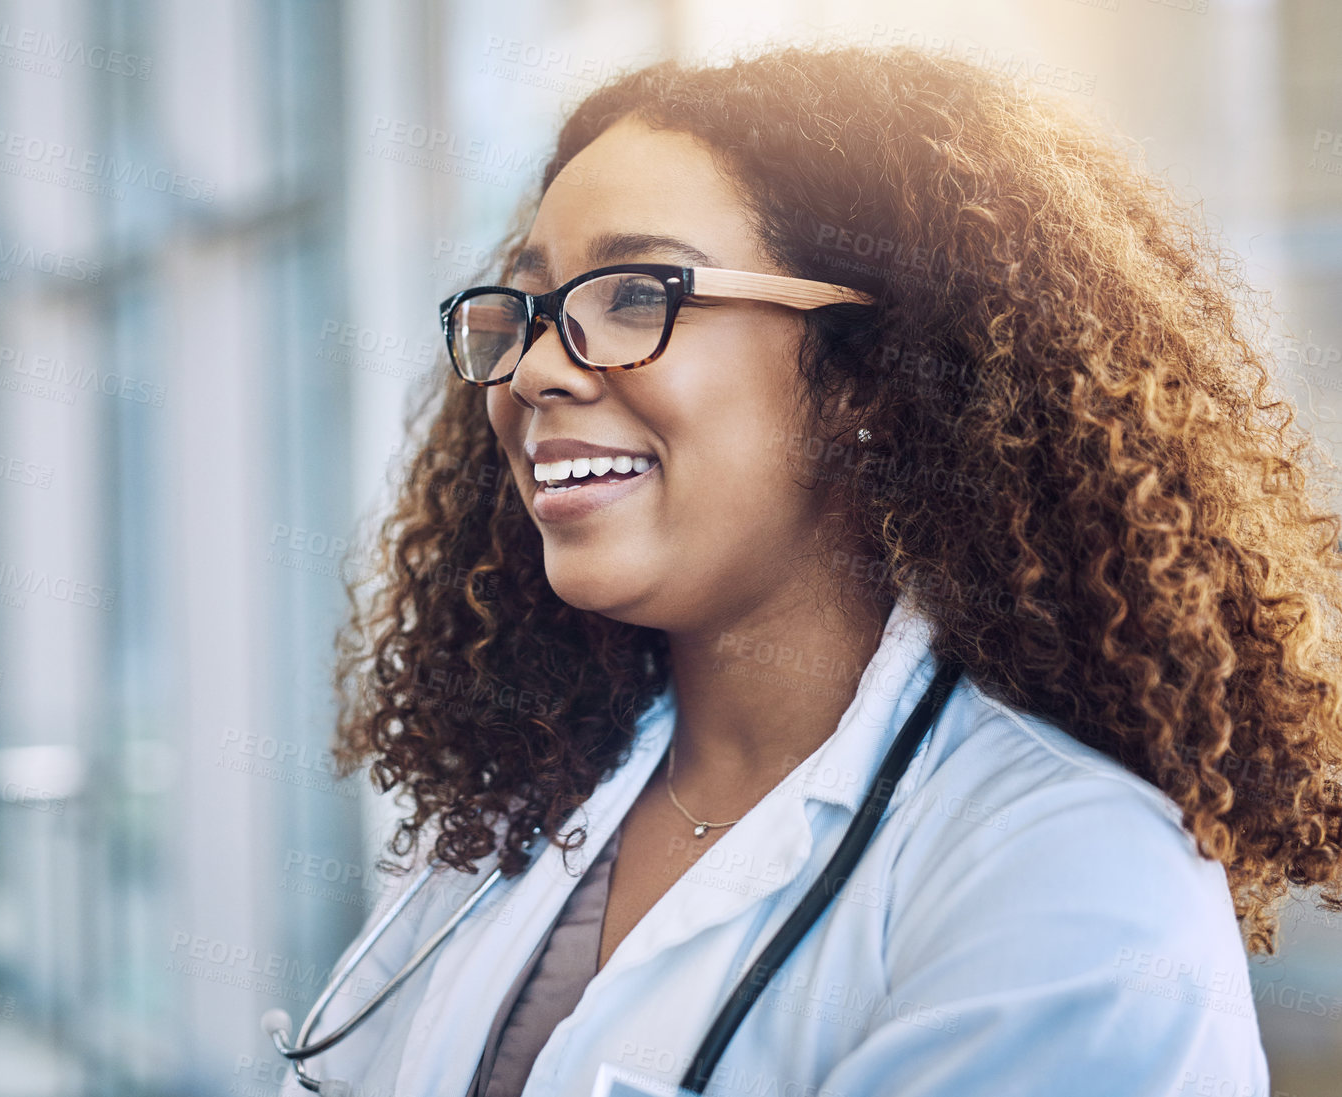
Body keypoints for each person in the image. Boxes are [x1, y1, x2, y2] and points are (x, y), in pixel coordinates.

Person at [298, 44, 1342, 1097]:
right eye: (525, 308)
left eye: (630, 295)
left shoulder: (1071, 873)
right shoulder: (521, 799)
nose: (531, 369)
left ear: (866, 375)